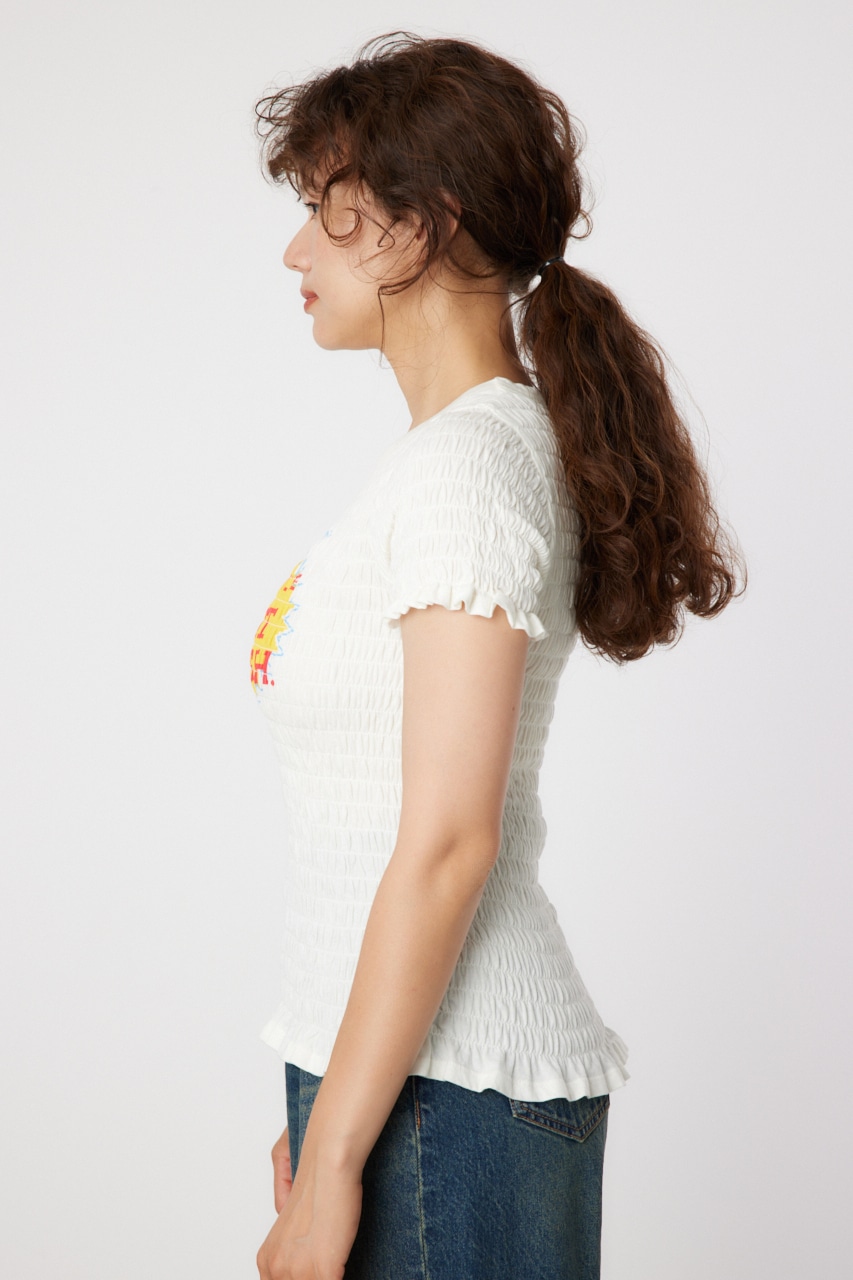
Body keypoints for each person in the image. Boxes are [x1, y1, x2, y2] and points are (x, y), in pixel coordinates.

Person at [250, 30, 745, 1280]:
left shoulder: (468, 467)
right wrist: (337, 1101)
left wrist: (341, 1152)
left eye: (324, 207)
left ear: (418, 226)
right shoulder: (451, 457)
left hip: (448, 1095)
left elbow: (449, 839)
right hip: (410, 1079)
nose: (295, 250)